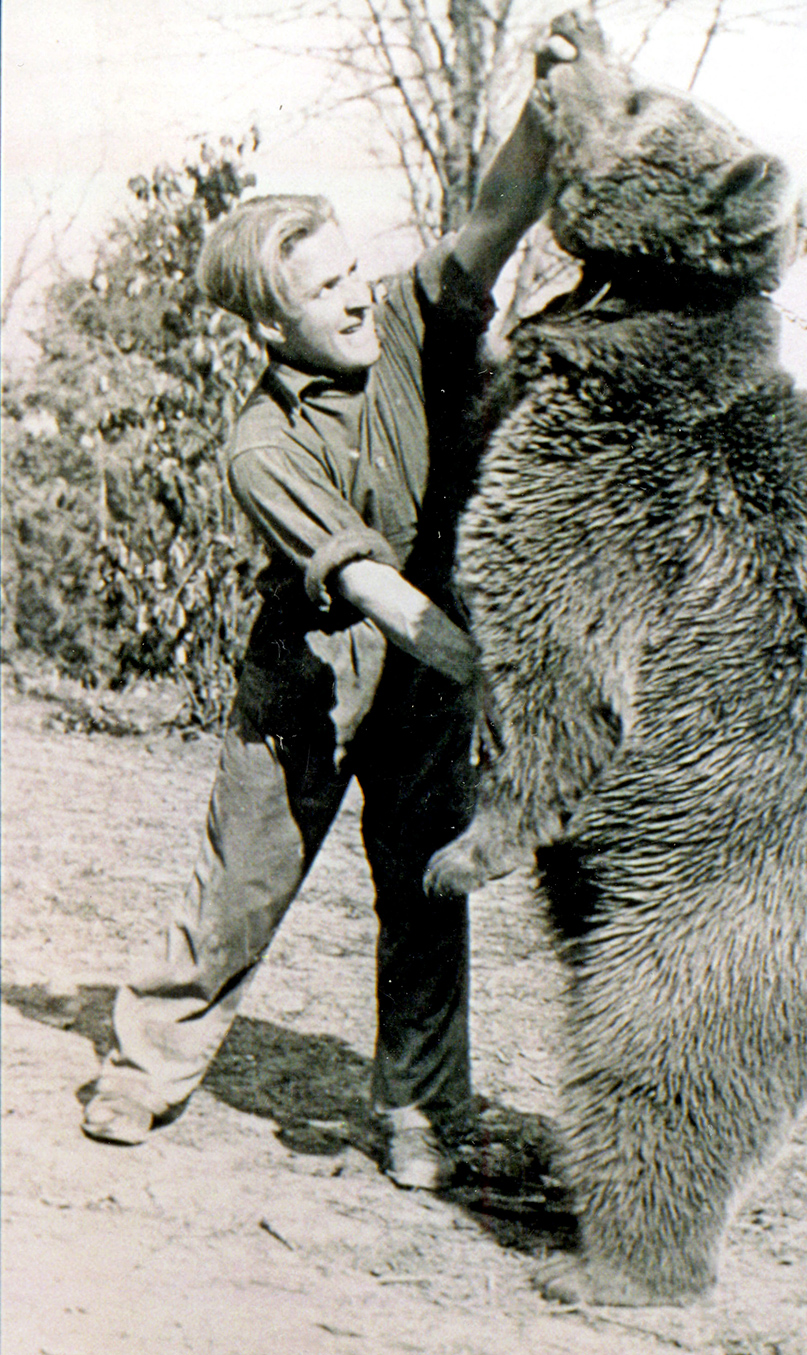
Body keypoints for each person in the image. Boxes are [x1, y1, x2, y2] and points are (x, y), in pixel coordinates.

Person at [80, 26, 577, 1190]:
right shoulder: (259, 443)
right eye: (320, 289)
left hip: (424, 668)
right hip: (314, 678)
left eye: (351, 268)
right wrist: (492, 673)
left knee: (423, 885)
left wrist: (546, 106)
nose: (353, 294)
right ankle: (147, 1065)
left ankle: (421, 1118)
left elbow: (498, 214)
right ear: (268, 324)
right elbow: (366, 589)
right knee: (241, 886)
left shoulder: (407, 317)